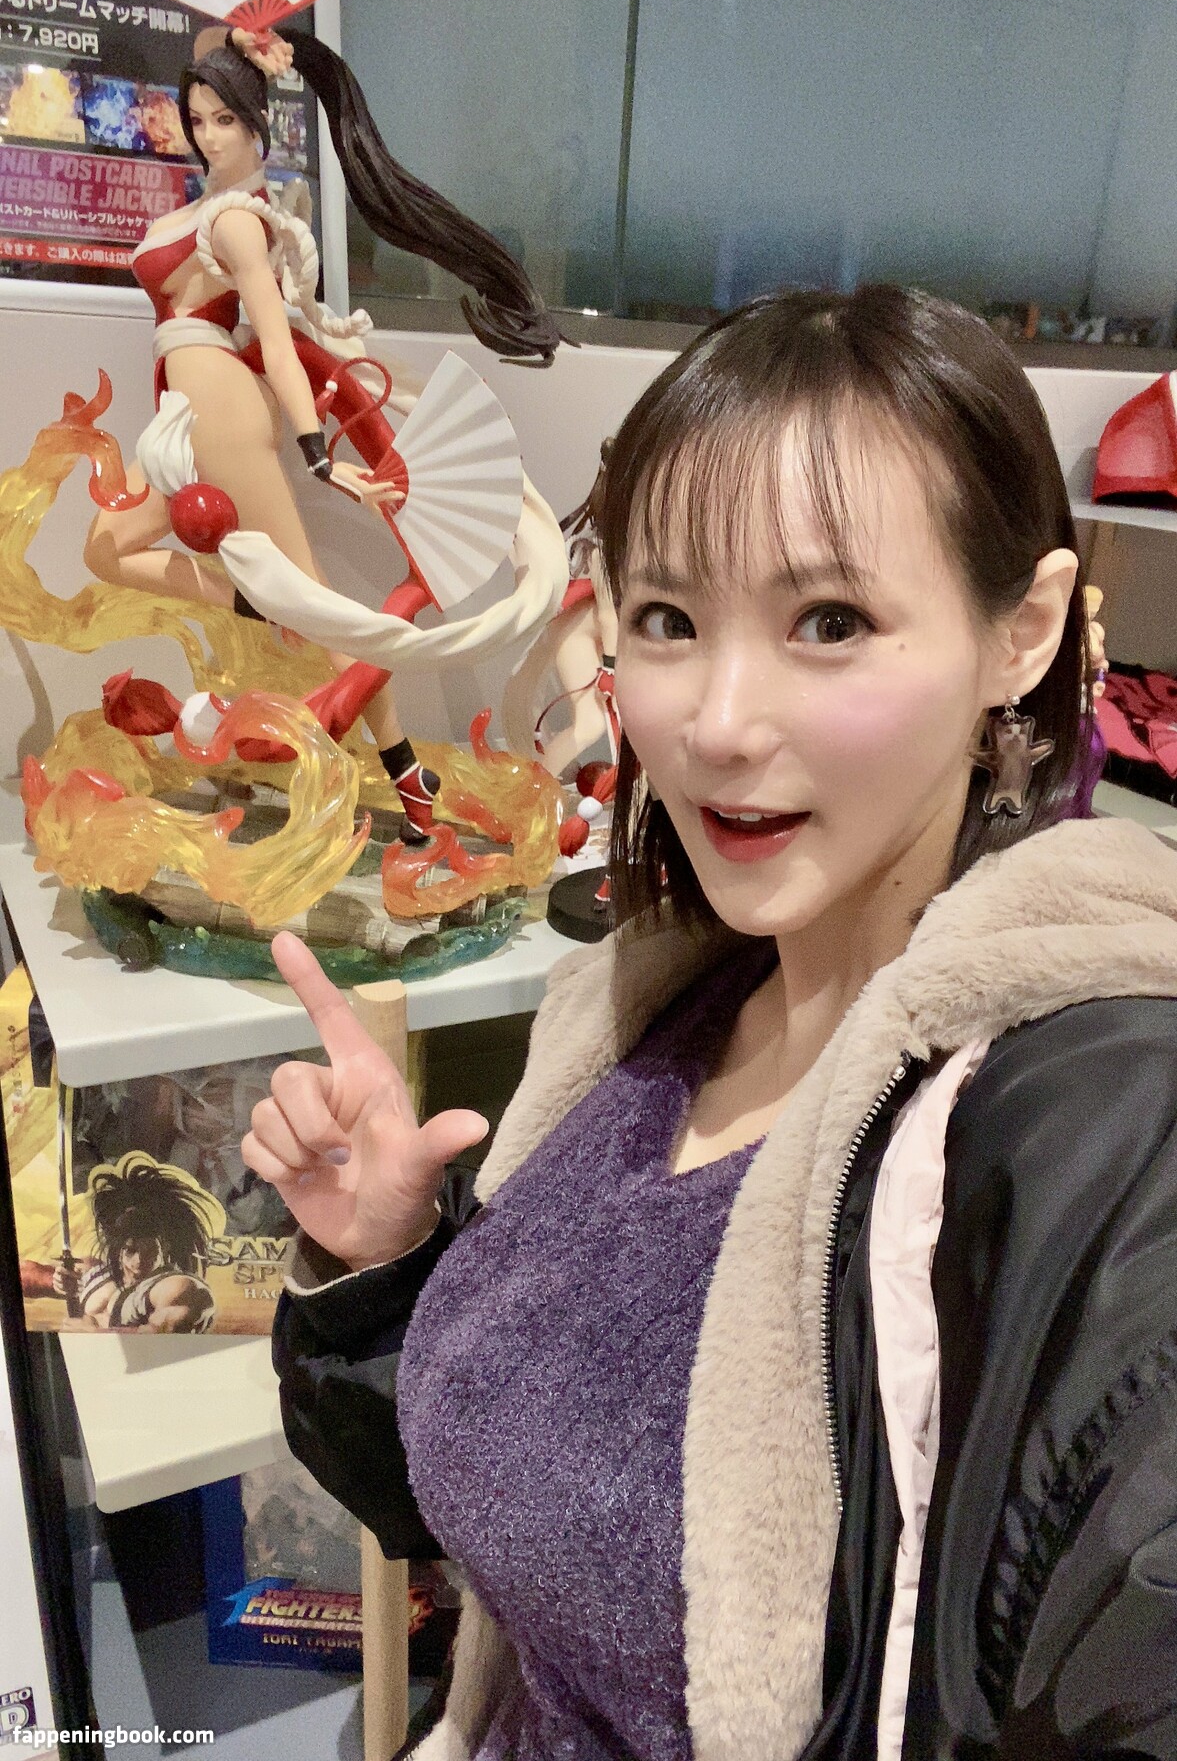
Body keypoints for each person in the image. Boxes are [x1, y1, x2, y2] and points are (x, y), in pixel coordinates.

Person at [245, 286, 1177, 1759]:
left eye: (830, 622)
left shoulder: (1095, 1133)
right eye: (669, 620)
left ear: (1023, 631)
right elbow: (501, 1515)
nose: (719, 722)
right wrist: (379, 1269)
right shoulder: (639, 1016)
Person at [83, 26, 563, 840]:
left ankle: (405, 771)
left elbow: (275, 344)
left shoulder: (240, 222)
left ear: (257, 124)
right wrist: (240, 39)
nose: (208, 135)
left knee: (316, 604)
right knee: (105, 548)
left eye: (224, 119)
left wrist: (315, 453)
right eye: (196, 119)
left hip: (222, 410)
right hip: (180, 417)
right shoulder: (202, 211)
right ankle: (257, 604)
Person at [54, 1150, 219, 1332]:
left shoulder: (177, 1287)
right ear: (118, 1249)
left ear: (164, 1247)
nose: (139, 1261)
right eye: (131, 1250)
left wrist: (95, 1334)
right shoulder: (96, 1273)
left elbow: (165, 1332)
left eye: (149, 1250)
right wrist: (65, 1286)